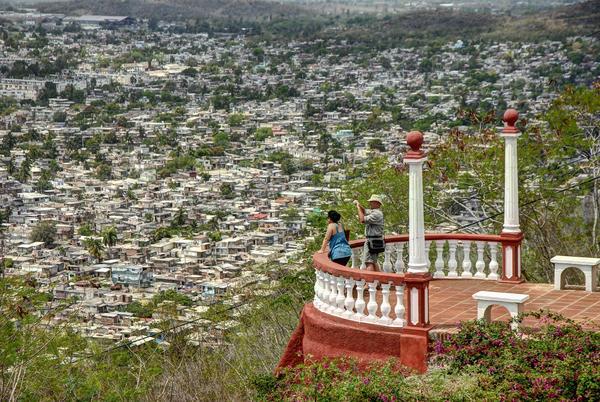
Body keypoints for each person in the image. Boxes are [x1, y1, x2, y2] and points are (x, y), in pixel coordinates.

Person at [354, 195, 384, 271]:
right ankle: (377, 278)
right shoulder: (374, 212)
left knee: (369, 262)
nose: (370, 203)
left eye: (371, 202)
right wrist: (358, 204)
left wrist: (358, 208)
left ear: (377, 203)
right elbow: (364, 211)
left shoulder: (376, 214)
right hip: (375, 241)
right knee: (374, 262)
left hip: (372, 241)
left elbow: (362, 220)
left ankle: (370, 279)